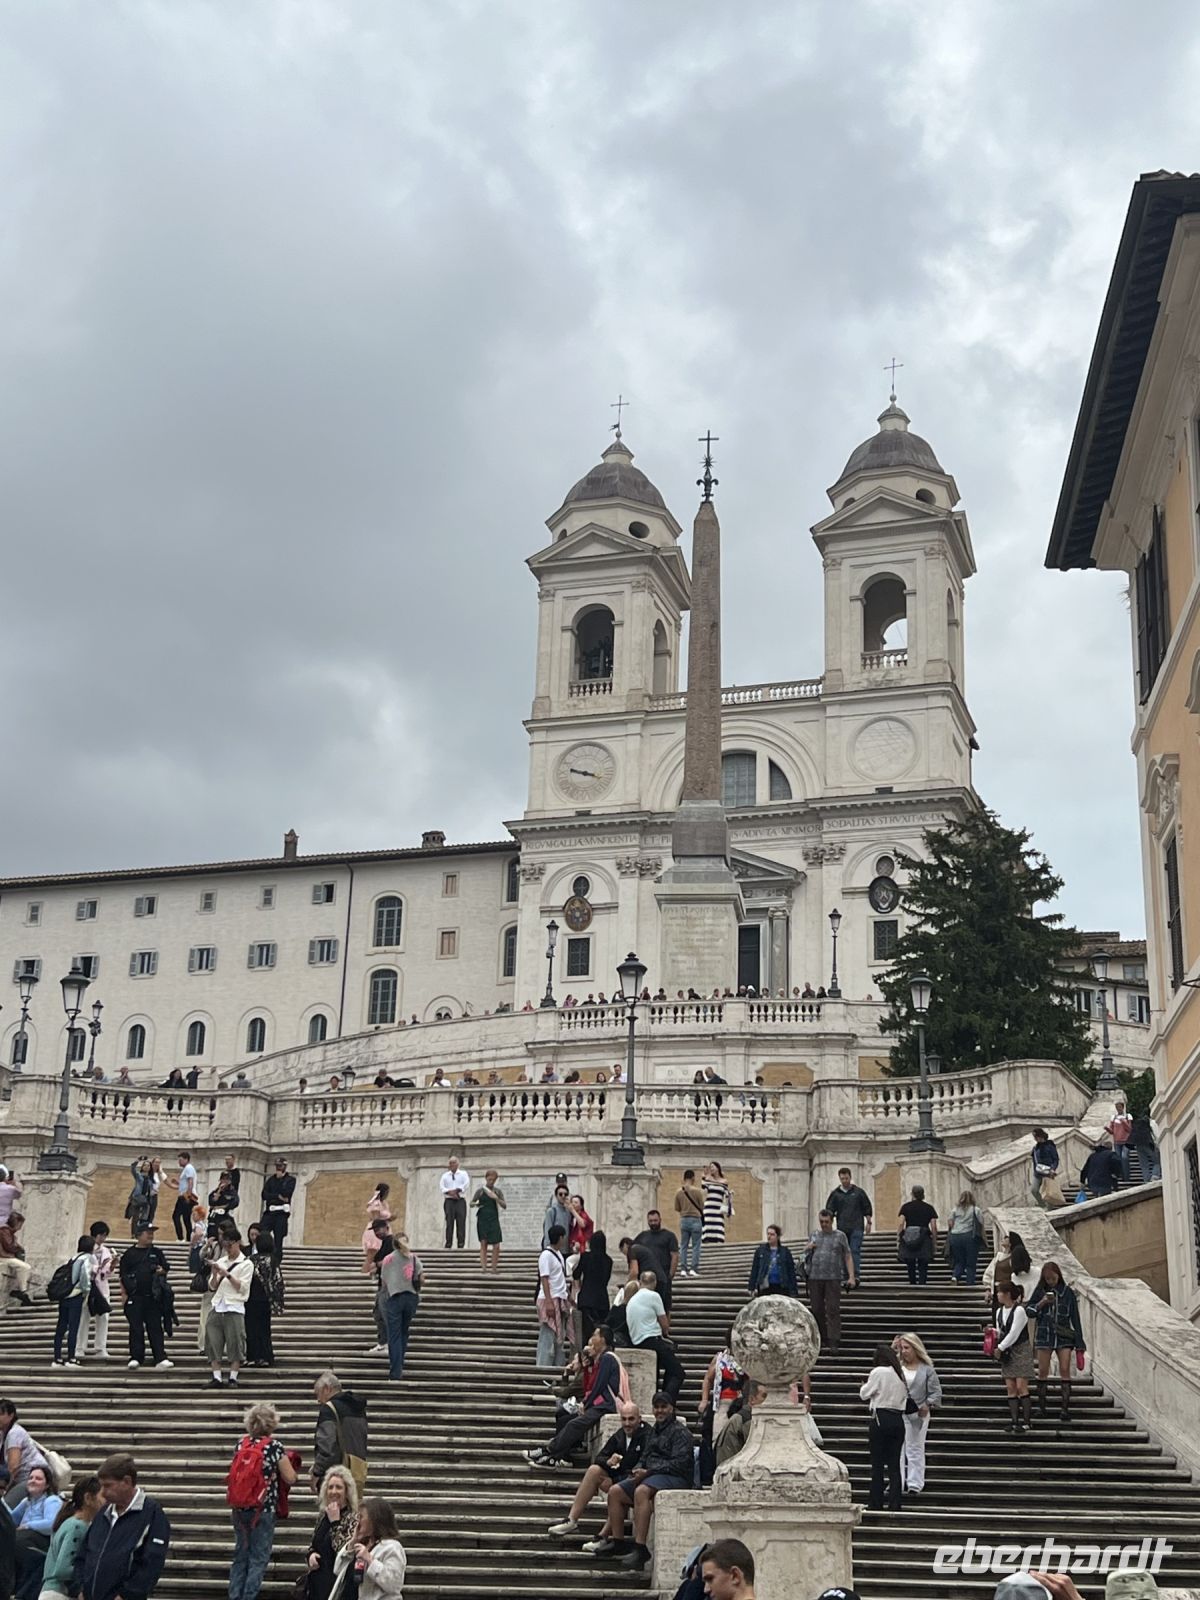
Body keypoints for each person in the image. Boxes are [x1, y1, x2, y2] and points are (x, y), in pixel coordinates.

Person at [592, 1392, 693, 1570]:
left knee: (641, 1491)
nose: (660, 1411)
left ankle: (640, 1548)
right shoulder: (654, 1431)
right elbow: (645, 1456)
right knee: (615, 1491)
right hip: (652, 1475)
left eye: (663, 1407)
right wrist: (637, 1470)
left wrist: (649, 1471)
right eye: (657, 1407)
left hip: (676, 1477)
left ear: (671, 1408)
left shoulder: (680, 1432)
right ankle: (618, 1541)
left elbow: (681, 1463)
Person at [73, 1452, 170, 1600]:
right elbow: (84, 1552)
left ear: (127, 1481)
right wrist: (81, 1588)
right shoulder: (103, 1513)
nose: (103, 1493)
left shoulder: (152, 1514)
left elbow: (152, 1564)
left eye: (108, 1486)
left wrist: (127, 1595)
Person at [525, 1323, 624, 1467]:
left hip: (604, 1405)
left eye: (595, 1335)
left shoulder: (608, 1358)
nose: (592, 1339)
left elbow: (599, 1386)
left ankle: (549, 1451)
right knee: (567, 1420)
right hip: (597, 1404)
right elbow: (589, 1386)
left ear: (602, 1339)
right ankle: (554, 1456)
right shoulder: (599, 1360)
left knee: (574, 1424)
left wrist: (586, 1403)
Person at [225, 1402, 297, 1600]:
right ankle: (249, 1596)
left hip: (239, 1508)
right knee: (258, 1557)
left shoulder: (241, 1444)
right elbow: (290, 1477)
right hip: (264, 1509)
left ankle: (234, 1595)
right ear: (271, 1424)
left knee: (241, 1554)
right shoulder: (274, 1447)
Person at [547, 1401, 648, 1540]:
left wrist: (613, 1481)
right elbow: (600, 1457)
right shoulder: (620, 1434)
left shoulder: (647, 1436)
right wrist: (608, 1461)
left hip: (638, 1484)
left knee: (617, 1490)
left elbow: (640, 1468)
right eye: (624, 1419)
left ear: (639, 1419)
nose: (627, 1423)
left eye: (631, 1419)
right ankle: (571, 1520)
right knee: (594, 1470)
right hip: (621, 1480)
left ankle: (603, 1536)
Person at [1030, 1260, 1086, 1422]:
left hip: (1063, 1337)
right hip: (1044, 1335)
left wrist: (1079, 1342)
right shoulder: (1040, 1292)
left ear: (1058, 1276)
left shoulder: (1067, 1293)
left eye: (1053, 1278)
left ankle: (1065, 1409)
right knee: (1042, 1371)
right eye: (1048, 1279)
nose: (1051, 1282)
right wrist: (1042, 1303)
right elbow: (1030, 1311)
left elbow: (1075, 1318)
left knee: (1065, 1369)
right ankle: (1041, 1407)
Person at [35, 1472, 103, 1599]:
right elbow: (63, 1569)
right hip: (58, 1593)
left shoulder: (73, 1523)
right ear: (88, 1498)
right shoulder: (77, 1527)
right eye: (102, 1496)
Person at [117, 1224, 173, 1370]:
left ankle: (160, 1357)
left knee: (155, 1327)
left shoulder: (156, 1252)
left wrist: (161, 1271)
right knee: (135, 1328)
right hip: (135, 1297)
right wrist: (123, 1294)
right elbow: (122, 1275)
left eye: (152, 1232)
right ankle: (136, 1357)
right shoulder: (129, 1254)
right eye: (147, 1232)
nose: (150, 1235)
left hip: (153, 1297)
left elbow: (165, 1268)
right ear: (138, 1235)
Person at [892, 1332, 942, 1495]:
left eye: (907, 1348)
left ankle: (915, 1482)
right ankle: (896, 1481)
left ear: (915, 1348)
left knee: (915, 1447)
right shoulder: (897, 1367)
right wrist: (893, 1348)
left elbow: (936, 1392)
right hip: (899, 1411)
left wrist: (928, 1404)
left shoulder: (927, 1369)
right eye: (902, 1348)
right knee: (897, 1449)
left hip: (918, 1413)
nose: (904, 1351)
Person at [860, 1342, 908, 1511]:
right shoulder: (899, 1374)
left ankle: (876, 1501)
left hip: (880, 1417)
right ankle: (895, 1502)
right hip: (897, 1419)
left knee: (878, 1463)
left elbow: (865, 1394)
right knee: (894, 1464)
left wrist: (864, 1384)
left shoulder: (878, 1372)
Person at [329, 1497, 406, 1598]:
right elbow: (337, 1569)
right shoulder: (360, 1545)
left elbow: (394, 1585)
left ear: (374, 1520)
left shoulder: (392, 1547)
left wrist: (370, 1560)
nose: (358, 1522)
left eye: (361, 1517)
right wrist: (352, 1542)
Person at [625, 1271, 685, 1401]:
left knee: (667, 1365)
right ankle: (666, 1401)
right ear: (655, 1283)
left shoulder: (633, 1298)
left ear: (640, 1282)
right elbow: (665, 1325)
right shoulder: (654, 1296)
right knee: (678, 1372)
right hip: (651, 1339)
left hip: (637, 1340)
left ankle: (663, 1398)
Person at [206, 1225, 254, 1386]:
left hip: (234, 1306)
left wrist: (227, 1274)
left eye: (230, 1245)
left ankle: (233, 1376)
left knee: (235, 1342)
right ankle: (217, 1376)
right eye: (225, 1246)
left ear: (238, 1243)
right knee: (213, 1341)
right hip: (218, 1304)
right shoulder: (221, 1261)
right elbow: (212, 1287)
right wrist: (214, 1274)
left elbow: (242, 1287)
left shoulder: (246, 1264)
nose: (228, 1249)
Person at [805, 1210, 856, 1354]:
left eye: (826, 1222)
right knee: (816, 1309)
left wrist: (851, 1276)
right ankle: (821, 1338)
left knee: (833, 1309)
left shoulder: (840, 1236)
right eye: (821, 1222)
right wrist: (807, 1248)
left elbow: (847, 1255)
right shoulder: (814, 1235)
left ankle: (834, 1339)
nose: (824, 1224)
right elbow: (804, 1256)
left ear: (832, 1221)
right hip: (815, 1277)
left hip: (833, 1277)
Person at [312, 1373, 369, 1498]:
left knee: (332, 1513)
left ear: (327, 1388)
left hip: (334, 1475)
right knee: (352, 1512)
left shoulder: (329, 1409)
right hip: (357, 1470)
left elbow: (327, 1445)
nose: (318, 1400)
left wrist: (317, 1472)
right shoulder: (358, 1409)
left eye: (318, 1393)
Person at [10, 1464, 63, 1598]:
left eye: (38, 1479)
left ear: (47, 1485)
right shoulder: (27, 1501)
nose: (33, 1480)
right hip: (23, 1541)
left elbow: (51, 1524)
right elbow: (10, 1519)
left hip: (41, 1544)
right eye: (31, 1478)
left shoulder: (52, 1501)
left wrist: (28, 1525)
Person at [306, 1466, 358, 1600]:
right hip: (318, 1582)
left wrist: (335, 1523)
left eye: (338, 1487)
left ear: (347, 1491)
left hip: (338, 1584)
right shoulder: (323, 1515)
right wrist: (311, 1555)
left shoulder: (354, 1517)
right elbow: (314, 1544)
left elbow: (344, 1551)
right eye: (330, 1487)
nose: (333, 1491)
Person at [379, 1232, 424, 1382]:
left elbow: (384, 1281)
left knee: (394, 1335)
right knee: (404, 1331)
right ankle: (400, 1363)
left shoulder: (388, 1259)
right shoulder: (413, 1258)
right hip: (411, 1298)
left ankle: (396, 1371)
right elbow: (421, 1278)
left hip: (395, 1298)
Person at [994, 1281, 1035, 1433]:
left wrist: (1000, 1347)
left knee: (1021, 1386)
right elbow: (1002, 1331)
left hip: (1021, 1350)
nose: (998, 1295)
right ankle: (1014, 1420)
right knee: (1010, 1387)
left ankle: (1026, 1421)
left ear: (1008, 1294)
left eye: (1000, 1292)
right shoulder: (999, 1312)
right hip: (1007, 1353)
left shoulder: (1019, 1311)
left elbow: (1014, 1332)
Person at [51, 1235, 95, 1369]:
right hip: (75, 1295)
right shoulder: (87, 1258)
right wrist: (86, 1291)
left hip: (64, 1295)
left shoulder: (74, 1257)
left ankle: (57, 1358)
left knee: (61, 1327)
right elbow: (84, 1277)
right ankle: (71, 1358)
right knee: (74, 1327)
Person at [826, 1168, 873, 1285]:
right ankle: (845, 1275)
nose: (845, 1181)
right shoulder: (836, 1194)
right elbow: (829, 1210)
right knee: (844, 1251)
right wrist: (828, 1226)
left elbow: (867, 1207)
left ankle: (855, 1275)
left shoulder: (858, 1192)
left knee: (855, 1250)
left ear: (850, 1177)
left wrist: (869, 1222)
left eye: (846, 1178)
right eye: (842, 1179)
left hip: (857, 1226)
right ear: (839, 1179)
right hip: (842, 1227)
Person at [0, 1402, 50, 1510]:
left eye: (0, 1414)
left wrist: (7, 1489)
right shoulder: (3, 1434)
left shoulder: (14, 1433)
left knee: (5, 1507)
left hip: (30, 1477)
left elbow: (13, 1467)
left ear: (11, 1415)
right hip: (20, 1479)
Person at [245, 1229, 284, 1367]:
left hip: (250, 1298)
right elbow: (277, 1280)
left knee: (250, 1328)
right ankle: (266, 1356)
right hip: (265, 1299)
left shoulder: (250, 1260)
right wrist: (277, 1301)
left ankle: (252, 1356)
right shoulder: (273, 1260)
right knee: (264, 1328)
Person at [77, 1221, 114, 1361]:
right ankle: (80, 1347)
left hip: (102, 1287)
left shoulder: (105, 1251)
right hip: (87, 1287)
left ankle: (100, 1347)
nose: (103, 1239)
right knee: (84, 1317)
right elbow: (83, 1266)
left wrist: (110, 1267)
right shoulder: (86, 1248)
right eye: (102, 1235)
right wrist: (97, 1268)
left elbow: (107, 1271)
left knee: (103, 1317)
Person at [699, 1332, 744, 1444]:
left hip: (742, 1403)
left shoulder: (748, 1359)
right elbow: (708, 1379)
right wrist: (704, 1400)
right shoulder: (719, 1358)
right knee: (719, 1439)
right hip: (722, 1403)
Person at [632, 1211, 679, 1318]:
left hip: (663, 1277)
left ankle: (665, 1331)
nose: (653, 1223)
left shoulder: (669, 1236)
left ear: (660, 1220)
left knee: (665, 1305)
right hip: (645, 1279)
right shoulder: (642, 1236)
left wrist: (670, 1274)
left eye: (655, 1220)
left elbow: (674, 1255)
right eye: (651, 1221)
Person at [537, 1225, 570, 1368]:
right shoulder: (546, 1255)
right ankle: (543, 1367)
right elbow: (544, 1278)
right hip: (549, 1298)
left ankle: (557, 1366)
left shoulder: (559, 1255)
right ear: (560, 1237)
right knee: (548, 1334)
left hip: (559, 1297)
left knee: (559, 1336)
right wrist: (549, 1301)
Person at [573, 1231, 613, 1345]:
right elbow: (606, 1280)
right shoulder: (608, 1261)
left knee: (587, 1334)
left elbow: (576, 1274)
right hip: (602, 1300)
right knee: (601, 1334)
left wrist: (579, 1286)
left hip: (587, 1299)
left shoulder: (586, 1257)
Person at [897, 1185, 938, 1285]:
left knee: (910, 1261)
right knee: (923, 1262)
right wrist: (934, 1242)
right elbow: (933, 1227)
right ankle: (922, 1282)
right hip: (924, 1236)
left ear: (912, 1194)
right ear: (923, 1195)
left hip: (909, 1237)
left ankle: (912, 1282)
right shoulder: (929, 1208)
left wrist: (899, 1238)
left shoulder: (905, 1207)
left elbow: (901, 1223)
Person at [259, 1158, 296, 1262]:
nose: (278, 1168)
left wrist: (279, 1188)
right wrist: (277, 1196)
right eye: (277, 1166)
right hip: (270, 1212)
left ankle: (276, 1262)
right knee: (262, 1232)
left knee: (278, 1239)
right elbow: (264, 1195)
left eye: (280, 1166)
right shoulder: (271, 1180)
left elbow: (286, 1193)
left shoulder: (290, 1180)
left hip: (281, 1214)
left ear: (285, 1167)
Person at [747, 1225, 798, 1297]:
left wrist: (793, 1290)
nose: (769, 1236)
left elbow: (791, 1271)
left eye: (772, 1234)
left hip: (781, 1286)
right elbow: (755, 1269)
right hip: (765, 1286)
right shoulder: (760, 1250)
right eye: (768, 1234)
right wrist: (751, 1287)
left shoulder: (785, 1252)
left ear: (778, 1236)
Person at [946, 1191, 985, 1285]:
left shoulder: (955, 1210)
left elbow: (950, 1223)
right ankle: (970, 1282)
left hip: (955, 1236)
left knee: (959, 1260)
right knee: (971, 1261)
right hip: (969, 1236)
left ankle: (955, 1276)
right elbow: (981, 1225)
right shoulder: (976, 1210)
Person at [470, 1171, 505, 1272]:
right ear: (486, 1178)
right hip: (482, 1218)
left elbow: (504, 1205)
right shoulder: (480, 1191)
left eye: (493, 1180)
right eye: (489, 1179)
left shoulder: (497, 1191)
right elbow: (472, 1202)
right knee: (483, 1243)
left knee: (496, 1244)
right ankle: (484, 1267)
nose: (491, 1181)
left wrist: (496, 1199)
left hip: (493, 1218)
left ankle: (494, 1267)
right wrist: (475, 1204)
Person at [675, 1169, 705, 1277]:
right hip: (696, 1219)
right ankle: (693, 1268)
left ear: (684, 1178)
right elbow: (702, 1206)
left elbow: (677, 1207)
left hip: (684, 1219)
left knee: (683, 1245)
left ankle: (683, 1269)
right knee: (696, 1246)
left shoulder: (679, 1192)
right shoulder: (697, 1191)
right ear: (693, 1178)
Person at [0, 1211, 34, 1308]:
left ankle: (20, 1290)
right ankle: (22, 1291)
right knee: (25, 1267)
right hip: (3, 1256)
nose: (20, 1227)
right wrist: (18, 1247)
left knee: (22, 1268)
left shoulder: (9, 1232)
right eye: (20, 1224)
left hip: (7, 1256)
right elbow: (9, 1246)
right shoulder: (4, 1231)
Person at [439, 1157, 470, 1250]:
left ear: (457, 1164)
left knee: (461, 1222)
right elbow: (442, 1187)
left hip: (460, 1200)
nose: (452, 1165)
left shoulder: (463, 1174)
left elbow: (466, 1184)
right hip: (449, 1201)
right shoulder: (445, 1175)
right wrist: (450, 1192)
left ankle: (461, 1244)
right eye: (450, 1163)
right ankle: (448, 1243)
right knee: (449, 1222)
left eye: (454, 1163)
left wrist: (457, 1191)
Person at [166, 1152, 198, 1241]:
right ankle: (187, 1239)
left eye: (180, 1160)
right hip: (185, 1195)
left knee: (177, 1216)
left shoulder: (188, 1168)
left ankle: (181, 1238)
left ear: (186, 1159)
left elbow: (190, 1182)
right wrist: (178, 1183)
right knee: (185, 1218)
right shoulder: (187, 1169)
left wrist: (188, 1195)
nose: (179, 1162)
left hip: (185, 1196)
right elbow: (186, 1183)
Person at [702, 1162, 733, 1246]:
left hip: (718, 1209)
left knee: (718, 1230)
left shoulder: (724, 1181)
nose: (711, 1168)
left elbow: (726, 1194)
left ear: (718, 1168)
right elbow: (704, 1191)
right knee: (707, 1231)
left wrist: (730, 1195)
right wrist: (704, 1178)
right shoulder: (707, 1179)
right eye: (710, 1167)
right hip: (709, 1208)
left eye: (713, 1166)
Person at [360, 1185, 393, 1260]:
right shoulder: (376, 1204)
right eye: (387, 1192)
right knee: (374, 1255)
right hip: (378, 1229)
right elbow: (376, 1219)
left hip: (384, 1228)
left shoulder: (384, 1204)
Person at [1030, 1128, 1060, 1206]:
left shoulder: (1050, 1146)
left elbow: (1055, 1159)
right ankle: (1042, 1204)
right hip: (1038, 1172)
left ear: (1040, 1136)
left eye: (1035, 1137)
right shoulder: (1035, 1148)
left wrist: (1053, 1169)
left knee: (1049, 1191)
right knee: (1034, 1190)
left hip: (1048, 1172)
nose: (1035, 1139)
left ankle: (1049, 1206)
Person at [1106, 1099, 1134, 1182]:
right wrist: (1107, 1129)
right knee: (1118, 1159)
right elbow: (1112, 1131)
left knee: (1124, 1157)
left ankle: (1126, 1176)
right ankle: (1121, 1175)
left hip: (1126, 1141)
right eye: (1117, 1107)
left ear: (1123, 1107)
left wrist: (1123, 1122)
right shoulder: (1114, 1117)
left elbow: (1129, 1129)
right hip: (1117, 1141)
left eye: (1119, 1107)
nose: (1118, 1109)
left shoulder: (1127, 1116)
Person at [125, 1161, 154, 1238]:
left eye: (148, 1166)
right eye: (145, 1165)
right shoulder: (138, 1176)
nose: (147, 1167)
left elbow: (150, 1190)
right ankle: (134, 1234)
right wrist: (137, 1161)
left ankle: (141, 1233)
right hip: (137, 1198)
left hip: (145, 1199)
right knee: (135, 1216)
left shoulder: (150, 1180)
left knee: (144, 1218)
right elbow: (133, 1169)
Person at [1130, 1111, 1162, 1181]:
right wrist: (1157, 1145)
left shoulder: (1138, 1123)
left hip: (1138, 1145)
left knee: (1144, 1164)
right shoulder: (1152, 1122)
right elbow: (1156, 1134)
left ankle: (1146, 1179)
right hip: (1149, 1144)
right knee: (1157, 1162)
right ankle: (1155, 1175)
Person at [542, 1184, 572, 1251]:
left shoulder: (568, 1211)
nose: (563, 1196)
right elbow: (547, 1229)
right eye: (560, 1194)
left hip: (566, 1249)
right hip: (554, 1248)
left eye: (565, 1194)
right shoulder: (551, 1211)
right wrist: (548, 1247)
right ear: (556, 1196)